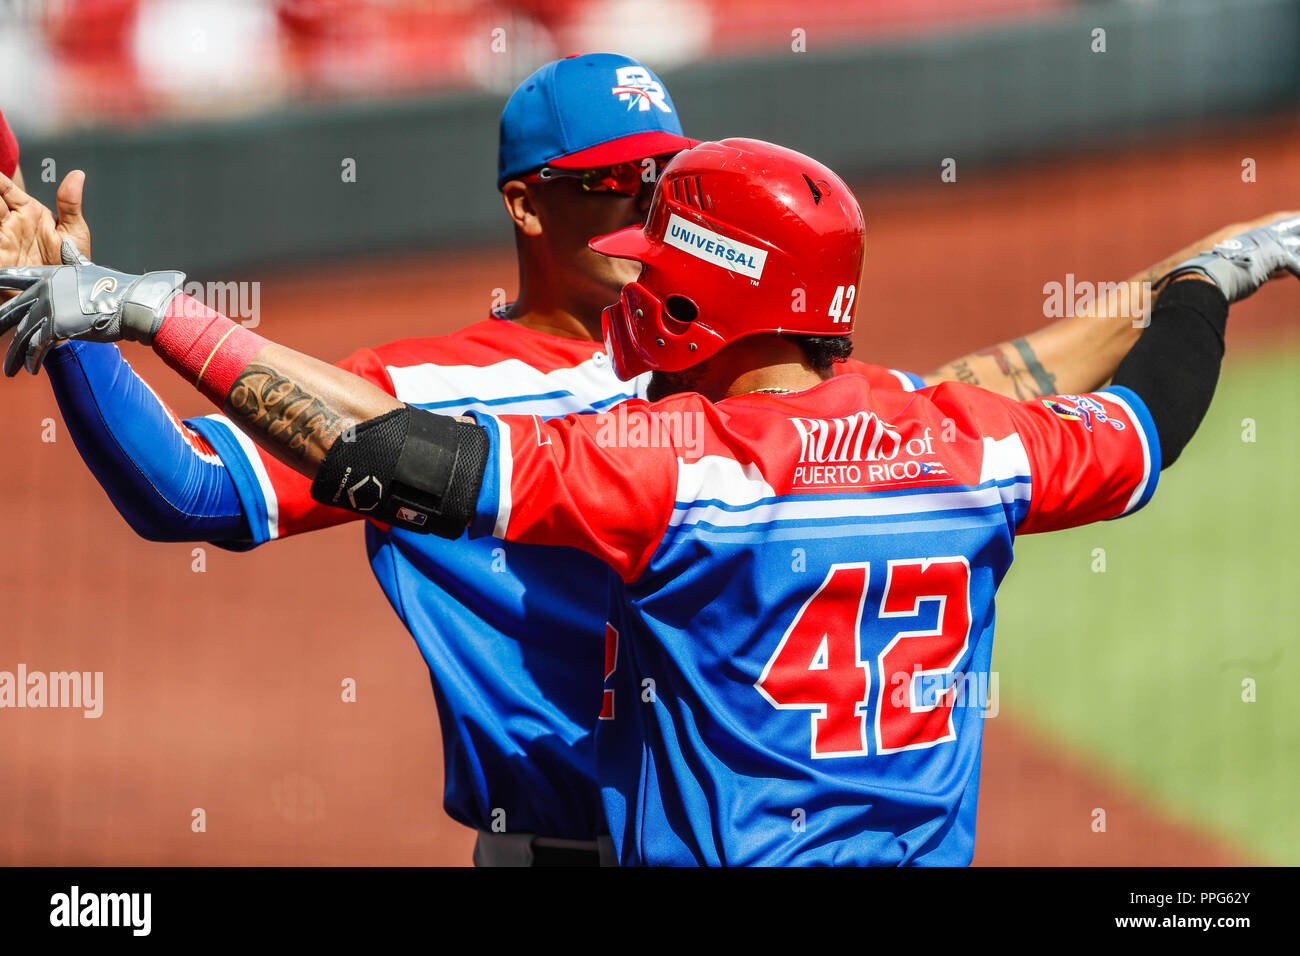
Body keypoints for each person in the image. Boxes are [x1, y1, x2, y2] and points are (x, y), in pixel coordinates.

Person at [0, 73, 1285, 864]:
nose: (645, 217)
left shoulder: (681, 430)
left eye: (667, 189)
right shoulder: (882, 423)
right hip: (557, 841)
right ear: (527, 204)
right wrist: (1196, 289)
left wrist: (145, 306)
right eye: (615, 189)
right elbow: (190, 492)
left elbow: (381, 457)